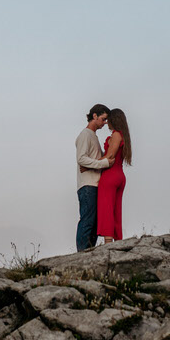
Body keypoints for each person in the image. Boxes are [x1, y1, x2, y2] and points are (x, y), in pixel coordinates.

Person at [75, 104, 113, 251]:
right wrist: (103, 163)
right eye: (103, 119)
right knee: (88, 220)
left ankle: (89, 252)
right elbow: (81, 159)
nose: (105, 123)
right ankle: (82, 254)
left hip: (94, 184)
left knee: (95, 222)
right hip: (87, 185)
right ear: (95, 116)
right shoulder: (85, 134)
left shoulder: (93, 136)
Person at [96, 108, 132, 243]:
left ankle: (108, 244)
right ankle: (117, 241)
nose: (106, 123)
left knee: (107, 209)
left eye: (108, 119)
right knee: (116, 210)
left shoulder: (116, 135)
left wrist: (90, 163)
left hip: (110, 176)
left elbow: (110, 156)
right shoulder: (124, 136)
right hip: (120, 175)